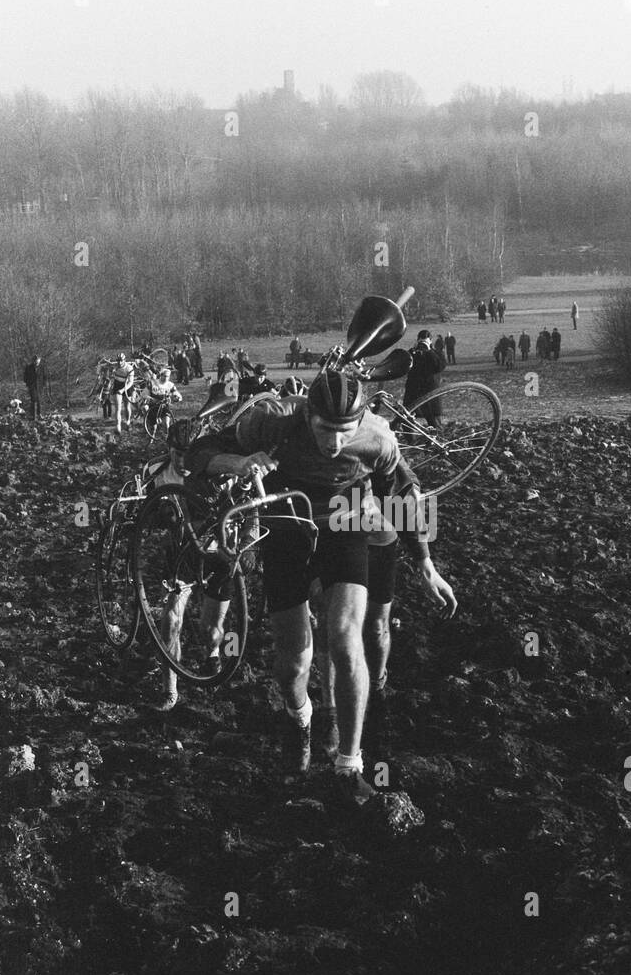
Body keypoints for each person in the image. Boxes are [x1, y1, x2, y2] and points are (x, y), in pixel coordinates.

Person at [184, 371, 456, 806]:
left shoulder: (377, 438)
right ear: (308, 415)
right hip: (287, 522)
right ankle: (300, 716)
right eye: (325, 430)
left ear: (360, 420)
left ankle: (350, 765)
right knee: (295, 661)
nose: (334, 442)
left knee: (346, 641)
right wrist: (238, 463)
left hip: (347, 520)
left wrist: (425, 563)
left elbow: (401, 494)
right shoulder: (272, 422)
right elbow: (198, 452)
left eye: (344, 433)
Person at [315, 460, 456, 755]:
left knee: (377, 626)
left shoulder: (378, 438)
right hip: (334, 533)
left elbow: (407, 493)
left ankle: (377, 689)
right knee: (331, 622)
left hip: (378, 537)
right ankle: (329, 712)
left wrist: (427, 566)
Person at [404, 329, 445, 423]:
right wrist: (412, 350)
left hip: (430, 392)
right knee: (407, 422)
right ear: (417, 340)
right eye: (421, 341)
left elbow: (439, 367)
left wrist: (429, 351)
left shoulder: (437, 353)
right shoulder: (412, 354)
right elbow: (402, 364)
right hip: (413, 392)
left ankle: (436, 438)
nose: (422, 344)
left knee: (435, 423)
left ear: (430, 341)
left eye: (425, 341)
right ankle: (411, 438)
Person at [109, 353, 135, 434]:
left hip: (127, 386)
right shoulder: (115, 366)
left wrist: (123, 390)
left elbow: (131, 382)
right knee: (118, 408)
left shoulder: (129, 368)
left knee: (127, 406)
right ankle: (118, 426)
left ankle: (128, 421)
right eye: (118, 361)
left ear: (124, 360)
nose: (119, 363)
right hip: (117, 385)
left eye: (121, 361)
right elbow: (110, 375)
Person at [23, 355, 48, 419]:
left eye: (38, 361)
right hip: (32, 386)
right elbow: (25, 377)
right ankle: (33, 415)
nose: (37, 363)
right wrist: (28, 384)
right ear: (33, 361)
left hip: (40, 386)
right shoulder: (28, 367)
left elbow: (45, 377)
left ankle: (40, 414)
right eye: (35, 361)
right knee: (33, 400)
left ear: (39, 361)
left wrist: (44, 385)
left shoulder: (42, 367)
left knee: (40, 400)